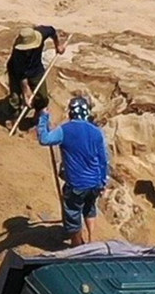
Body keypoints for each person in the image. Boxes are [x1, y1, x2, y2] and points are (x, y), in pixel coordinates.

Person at [37, 96, 110, 246]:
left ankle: (77, 245)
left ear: (71, 113)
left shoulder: (64, 130)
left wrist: (43, 118)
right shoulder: (97, 132)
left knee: (72, 213)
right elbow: (103, 160)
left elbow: (44, 139)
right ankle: (91, 240)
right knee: (90, 208)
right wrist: (103, 182)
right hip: (94, 182)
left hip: (76, 184)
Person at [7, 25, 67, 123]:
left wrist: (58, 45)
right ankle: (14, 118)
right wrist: (26, 91)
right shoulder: (18, 53)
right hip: (16, 71)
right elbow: (22, 74)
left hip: (35, 69)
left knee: (42, 96)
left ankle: (37, 114)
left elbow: (52, 31)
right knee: (15, 99)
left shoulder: (42, 33)